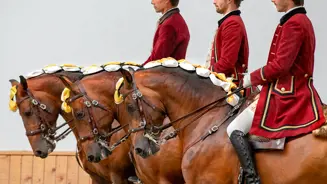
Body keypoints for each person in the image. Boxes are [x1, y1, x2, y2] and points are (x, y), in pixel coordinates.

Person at [227, 0, 326, 183]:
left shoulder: (294, 23)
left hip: (287, 94)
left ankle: (252, 179)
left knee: (234, 128)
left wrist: (250, 79)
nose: (272, 0)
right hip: (293, 88)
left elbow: (280, 66)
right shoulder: (298, 19)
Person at [206, 0, 249, 87]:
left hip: (228, 85)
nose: (214, 2)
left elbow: (227, 62)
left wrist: (205, 73)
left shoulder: (232, 23)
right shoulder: (229, 21)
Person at [143, 0, 190, 65]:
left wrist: (136, 71)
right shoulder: (176, 20)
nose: (152, 2)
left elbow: (157, 60)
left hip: (164, 74)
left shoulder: (169, 25)